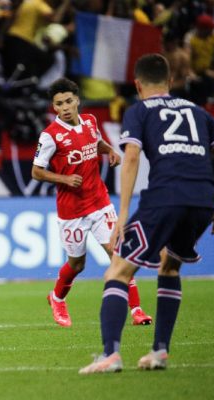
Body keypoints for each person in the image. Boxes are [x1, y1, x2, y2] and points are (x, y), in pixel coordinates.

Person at [79, 54, 214, 374]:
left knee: (117, 272)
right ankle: (159, 352)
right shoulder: (199, 112)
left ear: (138, 85)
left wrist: (123, 213)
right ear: (169, 82)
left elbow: (131, 157)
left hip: (165, 197)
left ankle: (110, 355)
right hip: (203, 201)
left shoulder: (139, 110)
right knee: (169, 267)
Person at [32, 78, 153, 328]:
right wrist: (64, 178)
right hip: (72, 211)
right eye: (59, 104)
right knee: (77, 264)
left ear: (77, 100)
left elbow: (95, 142)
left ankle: (137, 310)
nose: (65, 107)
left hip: (99, 202)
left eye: (68, 101)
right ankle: (57, 298)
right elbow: (36, 171)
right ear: (54, 107)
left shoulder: (90, 121)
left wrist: (109, 150)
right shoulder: (50, 136)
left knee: (118, 255)